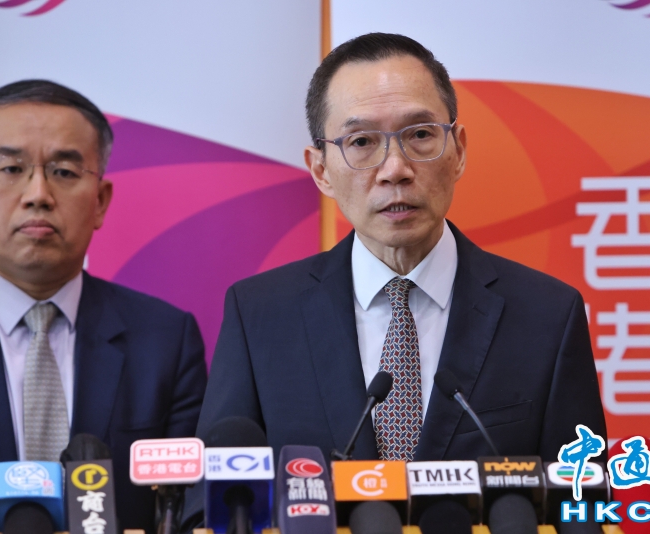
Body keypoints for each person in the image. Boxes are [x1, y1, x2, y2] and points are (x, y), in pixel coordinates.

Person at [184, 32, 605, 524]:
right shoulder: (260, 315)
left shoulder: (547, 316)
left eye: (420, 135)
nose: (396, 169)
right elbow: (210, 510)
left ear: (458, 150)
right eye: (362, 142)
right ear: (321, 170)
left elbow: (584, 508)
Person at [0, 80, 207, 532]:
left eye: (63, 172)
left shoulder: (165, 341)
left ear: (100, 201)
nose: (38, 194)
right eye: (11, 168)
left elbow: (187, 512)